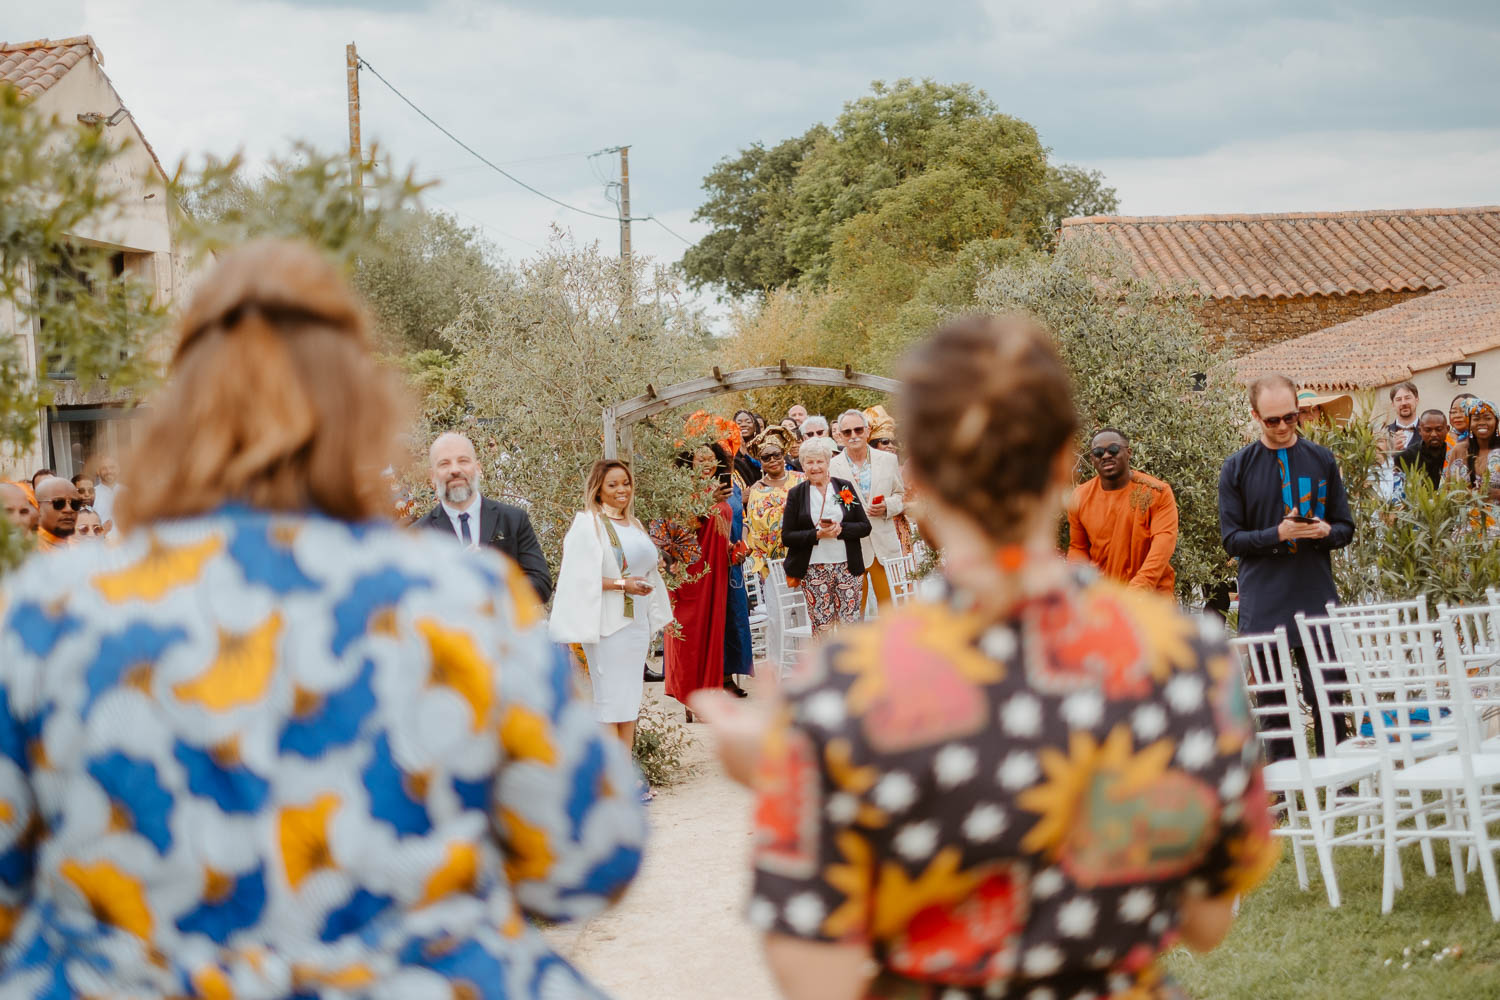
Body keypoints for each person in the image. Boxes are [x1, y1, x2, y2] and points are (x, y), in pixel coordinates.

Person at [0, 240, 645, 998]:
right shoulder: (461, 599)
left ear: (178, 408)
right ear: (358, 407)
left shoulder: (48, 613)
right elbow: (590, 863)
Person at [694, 315, 1276, 1000]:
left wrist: (787, 773)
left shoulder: (844, 688)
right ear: (1065, 464)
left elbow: (812, 975)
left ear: (922, 478)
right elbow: (1208, 920)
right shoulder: (1190, 659)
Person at [1220, 372, 1356, 759]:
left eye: (1290, 418)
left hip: (1314, 594)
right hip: (1264, 601)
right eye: (1272, 420)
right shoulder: (1237, 468)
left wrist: (1325, 530)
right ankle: (1288, 786)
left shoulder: (1321, 459)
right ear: (1255, 416)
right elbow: (1232, 540)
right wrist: (1277, 535)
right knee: (1273, 702)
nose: (1282, 426)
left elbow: (1346, 527)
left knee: (1328, 694)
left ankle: (1343, 782)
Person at [549, 460, 672, 776]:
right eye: (613, 484)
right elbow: (577, 578)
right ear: (599, 490)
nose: (622, 490)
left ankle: (627, 774)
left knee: (629, 702)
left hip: (636, 625)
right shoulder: (589, 524)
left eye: (626, 483)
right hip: (609, 625)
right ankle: (609, 779)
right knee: (608, 702)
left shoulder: (636, 525)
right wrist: (622, 584)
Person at [419, 431, 554, 602]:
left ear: (478, 468)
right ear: (432, 476)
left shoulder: (513, 520)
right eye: (444, 464)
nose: (455, 470)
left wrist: (493, 582)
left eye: (463, 461)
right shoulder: (418, 535)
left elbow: (541, 585)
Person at [663, 443, 735, 721]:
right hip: (689, 575)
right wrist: (706, 501)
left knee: (712, 633)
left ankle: (710, 695)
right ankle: (692, 698)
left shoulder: (722, 488)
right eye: (699, 457)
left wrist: (731, 549)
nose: (706, 462)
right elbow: (676, 530)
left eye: (711, 457)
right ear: (688, 462)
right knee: (689, 634)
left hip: (716, 572)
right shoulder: (679, 492)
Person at [1066, 428, 1178, 594]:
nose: (1105, 456)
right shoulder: (1080, 497)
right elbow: (1078, 548)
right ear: (1092, 459)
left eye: (1113, 449)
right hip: (1103, 600)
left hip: (1152, 600)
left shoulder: (1157, 492)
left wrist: (1138, 589)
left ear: (1128, 452)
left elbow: (1162, 548)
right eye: (1098, 452)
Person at [781, 436, 871, 634]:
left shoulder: (841, 488)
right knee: (823, 627)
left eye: (819, 461)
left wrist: (841, 530)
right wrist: (817, 534)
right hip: (814, 568)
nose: (815, 467)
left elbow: (864, 526)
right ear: (802, 465)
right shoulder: (797, 494)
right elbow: (787, 536)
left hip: (848, 566)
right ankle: (824, 665)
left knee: (850, 625)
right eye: (809, 462)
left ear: (828, 462)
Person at [830, 408, 906, 612]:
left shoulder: (888, 460)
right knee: (855, 613)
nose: (853, 436)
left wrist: (887, 506)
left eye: (858, 430)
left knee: (893, 610)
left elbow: (901, 496)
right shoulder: (832, 466)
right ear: (839, 435)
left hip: (885, 546)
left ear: (867, 430)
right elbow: (832, 504)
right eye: (847, 432)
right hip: (852, 549)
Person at [743, 426, 805, 579]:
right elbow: (754, 529)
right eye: (766, 457)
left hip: (806, 554)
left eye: (776, 455)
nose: (772, 460)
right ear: (760, 461)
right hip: (774, 565)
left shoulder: (802, 480)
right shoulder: (756, 491)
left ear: (783, 454)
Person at [1444, 397, 1500, 508]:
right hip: (1465, 520)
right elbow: (1448, 488)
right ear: (1469, 423)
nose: (1482, 423)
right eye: (1476, 419)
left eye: (1488, 418)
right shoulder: (1459, 450)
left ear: (1496, 422)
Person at [1394, 409, 1449, 494]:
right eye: (1428, 430)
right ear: (1420, 430)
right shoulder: (1404, 458)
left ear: (1447, 429)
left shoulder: (1454, 454)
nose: (1434, 434)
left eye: (1438, 429)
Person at [33, 475, 81, 550]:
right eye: (59, 503)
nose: (69, 510)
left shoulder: (80, 548)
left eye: (75, 504)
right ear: (38, 507)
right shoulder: (26, 552)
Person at [90, 455, 121, 529]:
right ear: (98, 471)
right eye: (104, 468)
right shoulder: (92, 494)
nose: (109, 471)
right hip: (102, 539)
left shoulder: (128, 493)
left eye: (112, 467)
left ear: (118, 469)